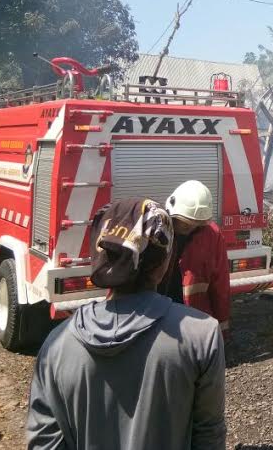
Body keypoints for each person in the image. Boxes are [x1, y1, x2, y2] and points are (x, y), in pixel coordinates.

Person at [27, 198, 226, 449]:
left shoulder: (56, 346)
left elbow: (44, 444)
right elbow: (209, 436)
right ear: (163, 262)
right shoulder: (202, 336)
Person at [162, 180, 231, 341]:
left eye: (196, 225)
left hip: (195, 320)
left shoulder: (212, 235)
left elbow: (220, 284)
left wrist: (222, 326)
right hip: (158, 316)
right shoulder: (155, 231)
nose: (191, 229)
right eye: (186, 224)